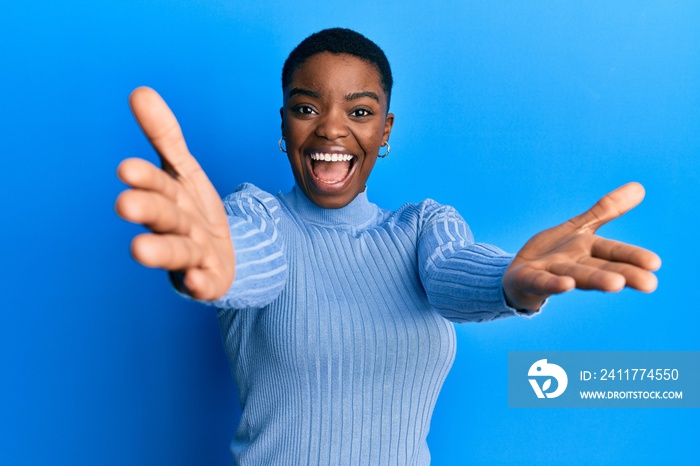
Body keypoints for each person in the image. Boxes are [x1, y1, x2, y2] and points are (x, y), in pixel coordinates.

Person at [115, 28, 660, 465]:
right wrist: (220, 264)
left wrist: (509, 281)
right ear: (284, 123)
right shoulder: (257, 216)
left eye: (359, 111)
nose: (332, 130)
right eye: (307, 108)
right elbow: (253, 258)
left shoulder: (422, 227)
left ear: (385, 129)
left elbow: (452, 273)